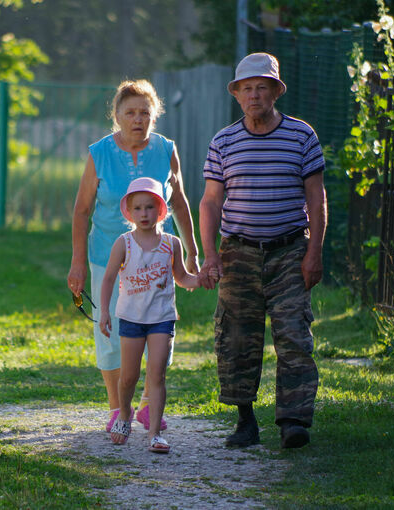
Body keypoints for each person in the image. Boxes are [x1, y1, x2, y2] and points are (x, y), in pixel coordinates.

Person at [198, 52, 327, 449]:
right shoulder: (223, 141)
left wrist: (314, 252)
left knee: (293, 337)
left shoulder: (302, 136)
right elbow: (210, 202)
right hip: (238, 253)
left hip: (290, 250)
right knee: (236, 338)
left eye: (262, 87)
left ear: (275, 92)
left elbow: (316, 197)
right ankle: (245, 421)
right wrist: (211, 254)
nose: (254, 95)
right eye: (246, 88)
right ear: (236, 95)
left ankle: (293, 421)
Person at [67, 79, 199, 433]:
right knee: (109, 329)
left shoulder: (166, 149)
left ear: (155, 116)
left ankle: (145, 406)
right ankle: (116, 408)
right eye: (130, 112)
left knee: (156, 325)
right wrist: (78, 261)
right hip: (106, 254)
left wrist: (191, 251)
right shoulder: (99, 153)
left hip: (155, 255)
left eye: (145, 112)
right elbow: (81, 210)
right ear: (117, 116)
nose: (138, 119)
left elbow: (180, 201)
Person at [100, 177, 202, 453]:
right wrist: (105, 314)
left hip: (162, 319)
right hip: (131, 320)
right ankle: (124, 414)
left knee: (157, 375)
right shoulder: (124, 243)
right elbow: (108, 278)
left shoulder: (172, 243)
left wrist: (201, 279)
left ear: (161, 210)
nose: (144, 214)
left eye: (149, 208)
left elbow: (182, 277)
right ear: (129, 213)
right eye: (138, 208)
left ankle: (155, 434)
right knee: (130, 377)